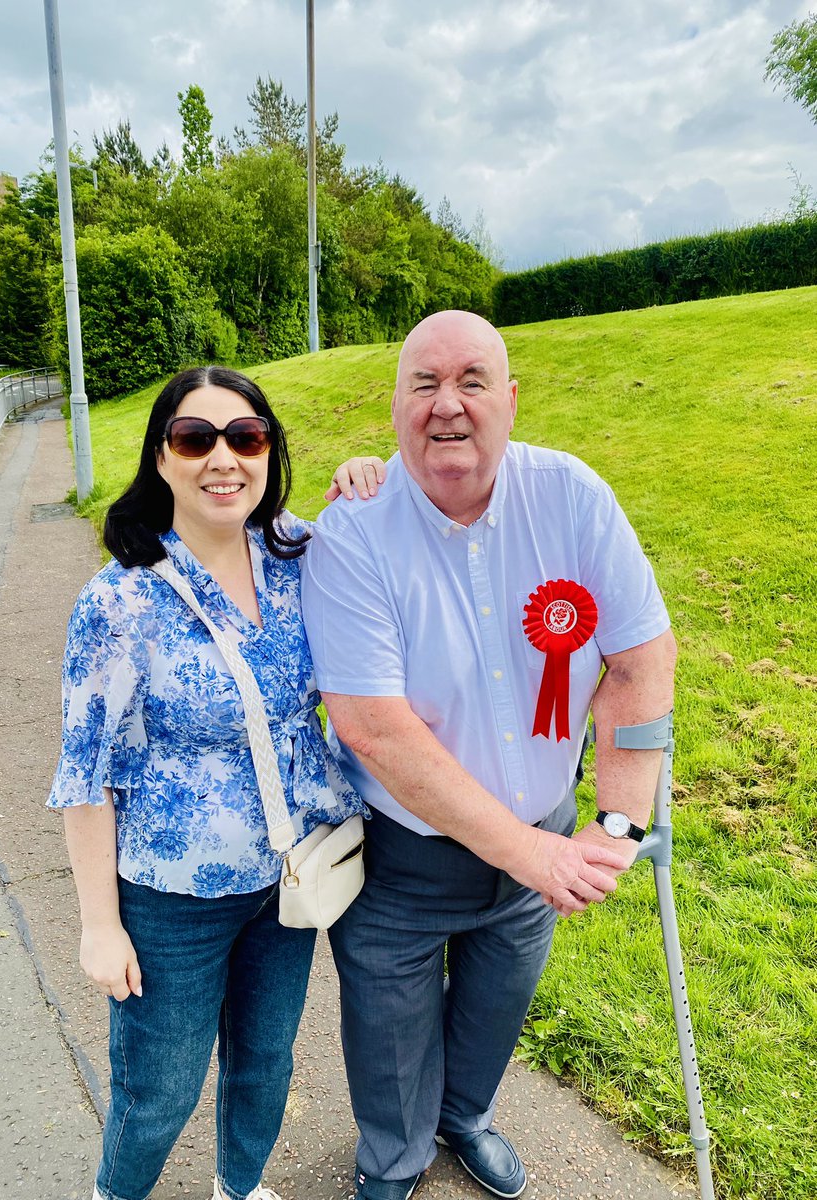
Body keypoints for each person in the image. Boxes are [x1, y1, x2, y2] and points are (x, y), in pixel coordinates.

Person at [300, 310, 677, 1200]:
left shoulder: (574, 496)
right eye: (424, 384)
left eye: (472, 381)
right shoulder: (352, 533)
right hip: (404, 860)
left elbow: (640, 659)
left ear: (509, 400)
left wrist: (618, 819)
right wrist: (535, 855)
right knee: (388, 1027)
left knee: (497, 1007)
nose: (448, 405)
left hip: (539, 841)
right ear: (394, 408)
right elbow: (375, 728)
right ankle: (392, 1162)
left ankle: (463, 1116)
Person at [48, 365, 381, 1200]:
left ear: (270, 451)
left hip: (292, 875)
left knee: (266, 1061)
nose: (223, 458)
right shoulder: (118, 601)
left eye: (246, 436)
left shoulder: (298, 552)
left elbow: (400, 534)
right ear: (161, 459)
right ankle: (116, 1193)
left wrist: (374, 479)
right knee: (160, 1089)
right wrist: (99, 926)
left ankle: (241, 1186)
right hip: (173, 896)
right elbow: (85, 775)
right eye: (196, 439)